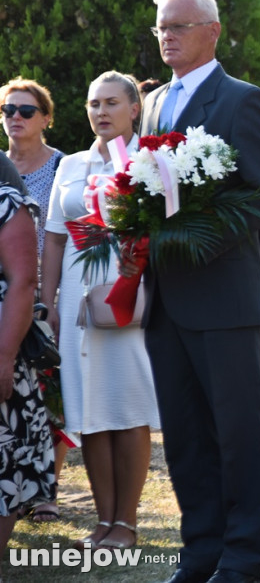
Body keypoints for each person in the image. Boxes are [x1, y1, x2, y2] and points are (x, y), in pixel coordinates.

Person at [139, 0, 260, 583]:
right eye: (160, 28)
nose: (167, 36)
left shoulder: (241, 100)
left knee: (236, 433)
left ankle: (244, 555)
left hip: (222, 298)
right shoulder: (154, 105)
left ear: (212, 31)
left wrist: (198, 234)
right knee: (183, 435)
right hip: (165, 302)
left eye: (178, 25)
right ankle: (200, 547)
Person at [39, 71, 161, 551]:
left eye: (112, 102)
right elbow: (52, 235)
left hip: (126, 299)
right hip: (74, 305)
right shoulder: (69, 164)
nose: (101, 112)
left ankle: (126, 523)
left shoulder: (152, 163)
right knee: (88, 412)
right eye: (93, 103)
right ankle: (102, 521)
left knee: (126, 409)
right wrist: (48, 303)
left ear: (135, 108)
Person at [1, 77, 66, 523]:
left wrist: (52, 296)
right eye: (9, 110)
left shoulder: (63, 166)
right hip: (16, 292)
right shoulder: (1, 166)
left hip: (49, 289)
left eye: (26, 110)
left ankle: (45, 490)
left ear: (46, 117)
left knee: (51, 395)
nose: (16, 118)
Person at [0, 151, 56, 565]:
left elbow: (23, 282)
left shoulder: (8, 204)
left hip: (2, 341)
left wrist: (4, 357)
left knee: (4, 461)